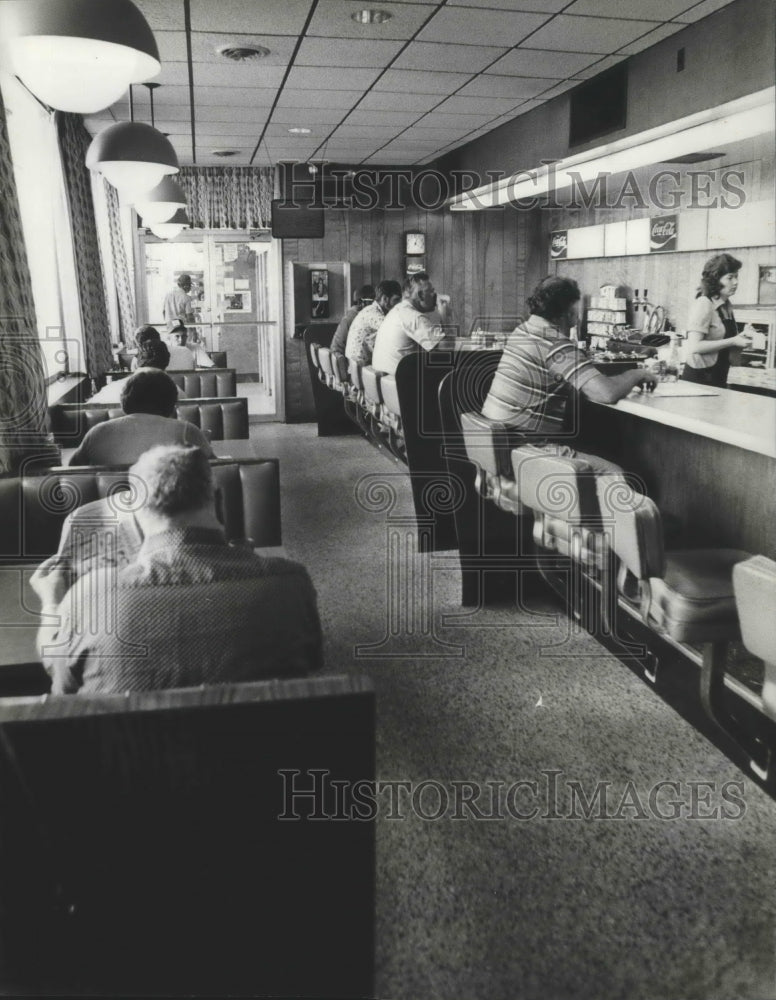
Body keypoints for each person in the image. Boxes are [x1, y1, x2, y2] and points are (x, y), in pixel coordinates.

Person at [32, 445, 323, 694]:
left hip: (130, 758)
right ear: (218, 502)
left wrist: (51, 602)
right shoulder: (292, 583)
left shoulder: (89, 598)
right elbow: (311, 662)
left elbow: (60, 679)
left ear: (136, 515)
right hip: (265, 757)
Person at [481, 276, 658, 473]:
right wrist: (637, 374)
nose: (576, 319)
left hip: (500, 450)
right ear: (564, 314)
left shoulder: (522, 331)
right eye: (574, 312)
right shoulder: (555, 343)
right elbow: (606, 393)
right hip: (524, 453)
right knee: (616, 474)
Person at [70, 369, 213, 466]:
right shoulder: (186, 431)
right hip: (167, 507)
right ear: (170, 402)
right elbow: (216, 468)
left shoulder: (97, 432)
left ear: (125, 400)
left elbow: (73, 470)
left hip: (109, 508)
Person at [681, 253, 752, 387]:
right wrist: (733, 340)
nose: (736, 282)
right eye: (730, 278)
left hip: (718, 375)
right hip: (699, 378)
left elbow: (726, 343)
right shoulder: (704, 303)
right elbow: (695, 346)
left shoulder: (727, 306)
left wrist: (743, 336)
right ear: (715, 280)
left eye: (736, 277)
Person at [371, 272, 451, 376]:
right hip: (403, 386)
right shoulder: (413, 316)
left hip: (387, 384)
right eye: (431, 292)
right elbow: (448, 348)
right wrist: (445, 316)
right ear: (421, 295)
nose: (435, 296)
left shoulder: (397, 310)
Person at [345, 279, 402, 366]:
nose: (399, 304)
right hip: (362, 370)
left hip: (358, 368)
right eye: (396, 300)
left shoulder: (370, 310)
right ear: (385, 299)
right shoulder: (373, 314)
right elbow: (396, 332)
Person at [330, 284, 375, 355]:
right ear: (361, 302)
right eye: (372, 301)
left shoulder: (352, 314)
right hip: (347, 361)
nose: (375, 305)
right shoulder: (353, 317)